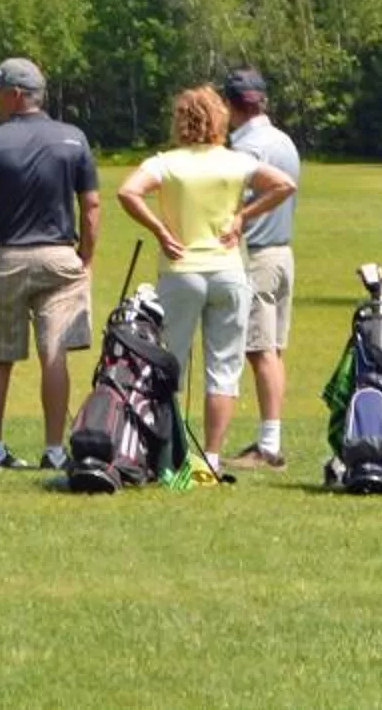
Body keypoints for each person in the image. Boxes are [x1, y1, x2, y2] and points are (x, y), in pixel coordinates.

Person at [115, 85, 297, 480]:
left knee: (167, 367)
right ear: (220, 119)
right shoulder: (235, 161)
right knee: (224, 369)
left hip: (181, 271)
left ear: (181, 121)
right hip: (229, 271)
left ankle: (166, 452)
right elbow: (284, 184)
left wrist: (160, 229)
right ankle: (212, 457)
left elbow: (127, 191)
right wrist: (242, 217)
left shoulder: (167, 162)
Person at [0, 57, 101, 471]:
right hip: (60, 257)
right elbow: (90, 206)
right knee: (54, 354)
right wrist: (86, 256)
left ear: (16, 95)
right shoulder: (73, 139)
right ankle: (55, 450)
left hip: (7, 256)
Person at [221, 68, 301, 469]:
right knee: (273, 351)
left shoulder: (245, 149)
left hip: (257, 256)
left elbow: (235, 201)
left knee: (260, 351)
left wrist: (240, 215)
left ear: (231, 105)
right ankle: (271, 436)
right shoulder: (283, 140)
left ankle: (269, 446)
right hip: (284, 253)